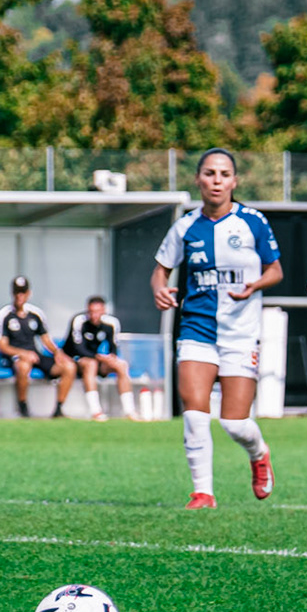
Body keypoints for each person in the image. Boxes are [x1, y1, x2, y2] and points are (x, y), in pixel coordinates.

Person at [152, 148, 283, 510]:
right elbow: (161, 269)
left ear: (234, 181)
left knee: (234, 423)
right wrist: (160, 290)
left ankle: (259, 453)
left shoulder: (253, 221)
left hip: (241, 334)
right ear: (198, 179)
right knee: (194, 412)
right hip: (197, 329)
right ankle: (203, 493)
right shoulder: (185, 227)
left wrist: (254, 286)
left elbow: (275, 269)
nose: (216, 180)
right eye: (209, 173)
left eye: (224, 174)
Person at [0, 276, 76, 418]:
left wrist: (57, 352)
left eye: (23, 292)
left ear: (28, 293)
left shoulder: (36, 314)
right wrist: (23, 353)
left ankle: (58, 409)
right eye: (17, 292)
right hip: (15, 356)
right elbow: (1, 345)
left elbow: (45, 339)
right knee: (23, 366)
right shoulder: (4, 315)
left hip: (35, 355)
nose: (20, 296)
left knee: (69, 367)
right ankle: (23, 407)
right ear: (12, 293)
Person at [63, 296, 135, 421]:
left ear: (103, 311)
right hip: (77, 361)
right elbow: (78, 349)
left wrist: (110, 357)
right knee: (91, 364)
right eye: (91, 312)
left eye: (97, 312)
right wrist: (99, 357)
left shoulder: (111, 323)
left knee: (121, 365)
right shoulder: (79, 321)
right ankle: (95, 411)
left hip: (98, 361)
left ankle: (129, 411)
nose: (94, 315)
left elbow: (113, 348)